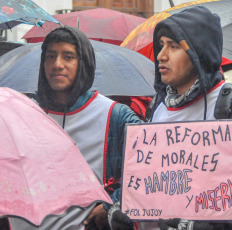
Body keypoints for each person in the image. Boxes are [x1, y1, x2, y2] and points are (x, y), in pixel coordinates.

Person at [108, 6, 232, 230]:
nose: (161, 55)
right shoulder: (157, 106)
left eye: (174, 46)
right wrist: (122, 207)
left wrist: (205, 225)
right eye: (161, 45)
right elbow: (145, 179)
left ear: (200, 52)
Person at [8, 26, 142, 230]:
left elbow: (148, 171)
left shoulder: (114, 115)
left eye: (68, 57)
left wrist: (113, 205)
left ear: (84, 63)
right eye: (50, 57)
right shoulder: (21, 111)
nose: (57, 65)